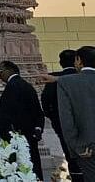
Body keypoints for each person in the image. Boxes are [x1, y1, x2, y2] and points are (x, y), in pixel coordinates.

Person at [0, 59, 45, 179]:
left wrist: (9, 135)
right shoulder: (26, 85)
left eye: (1, 71)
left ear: (9, 71)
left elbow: (9, 114)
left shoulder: (13, 86)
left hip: (18, 135)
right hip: (29, 133)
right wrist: (38, 128)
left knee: (23, 167)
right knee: (32, 163)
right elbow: (38, 111)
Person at [43, 49, 84, 181]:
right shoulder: (84, 77)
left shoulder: (53, 78)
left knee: (69, 151)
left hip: (60, 123)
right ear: (76, 61)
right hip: (86, 124)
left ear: (60, 62)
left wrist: (53, 117)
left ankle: (76, 174)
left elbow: (46, 101)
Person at [59, 46, 95, 180]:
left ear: (79, 60)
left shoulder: (66, 82)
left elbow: (67, 119)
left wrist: (75, 146)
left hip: (87, 147)